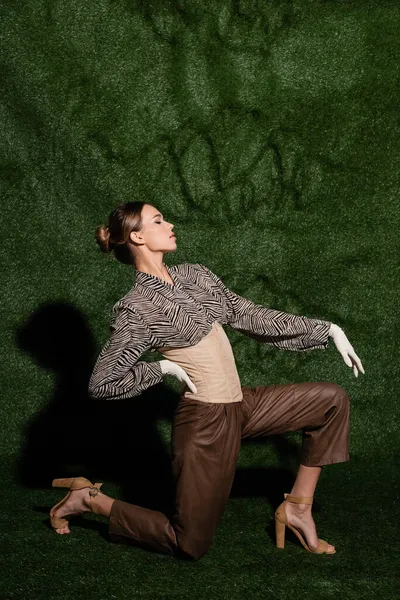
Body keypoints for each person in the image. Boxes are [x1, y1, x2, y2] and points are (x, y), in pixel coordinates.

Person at [49, 201, 365, 559]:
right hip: (205, 425)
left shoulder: (195, 275)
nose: (169, 224)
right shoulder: (136, 308)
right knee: (190, 543)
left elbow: (248, 315)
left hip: (241, 407)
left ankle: (298, 508)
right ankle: (90, 500)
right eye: (158, 220)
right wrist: (161, 370)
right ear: (137, 236)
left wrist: (326, 330)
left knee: (331, 400)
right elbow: (103, 381)